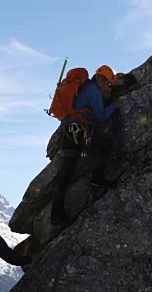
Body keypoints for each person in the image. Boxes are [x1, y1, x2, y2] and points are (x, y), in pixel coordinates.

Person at [50, 65, 123, 226]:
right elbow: (102, 116)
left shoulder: (86, 88)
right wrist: (114, 105)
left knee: (66, 174)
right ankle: (97, 178)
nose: (108, 89)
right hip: (76, 132)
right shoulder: (93, 91)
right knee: (105, 144)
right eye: (108, 85)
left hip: (69, 132)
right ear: (101, 79)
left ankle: (56, 214)